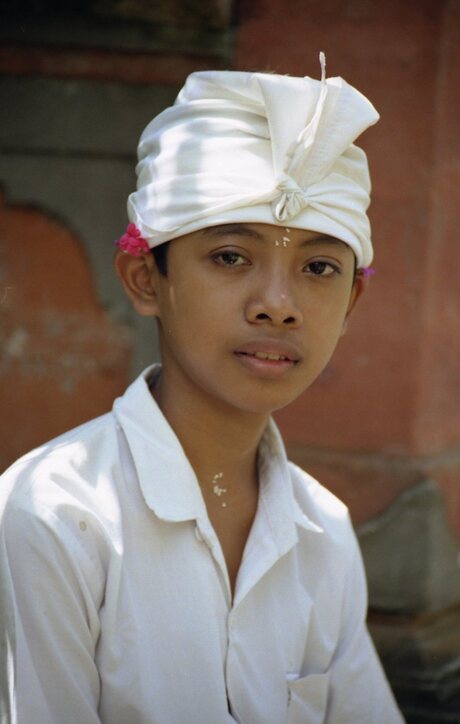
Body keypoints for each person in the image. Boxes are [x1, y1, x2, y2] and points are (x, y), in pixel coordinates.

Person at [0, 55, 405, 723]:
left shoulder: (323, 533)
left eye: (319, 266)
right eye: (229, 256)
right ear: (144, 279)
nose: (279, 304)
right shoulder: (54, 516)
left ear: (351, 301)